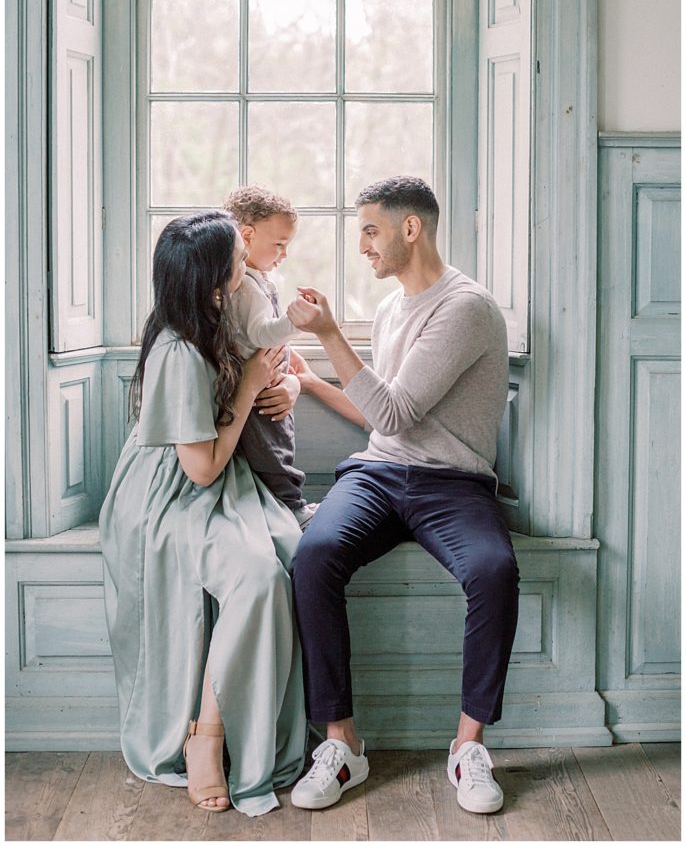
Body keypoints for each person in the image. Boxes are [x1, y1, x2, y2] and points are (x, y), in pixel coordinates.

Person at [285, 176, 519, 815]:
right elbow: (378, 420)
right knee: (314, 556)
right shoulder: (391, 310)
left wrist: (329, 334)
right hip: (379, 475)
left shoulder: (465, 308)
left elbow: (393, 410)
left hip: (453, 484)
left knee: (495, 571)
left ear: (409, 228)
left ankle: (468, 746)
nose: (361, 244)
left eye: (369, 229)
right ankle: (342, 746)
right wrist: (311, 382)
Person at [99, 210, 307, 817]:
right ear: (214, 281)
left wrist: (284, 384)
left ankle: (237, 730)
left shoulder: (220, 313)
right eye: (237, 259)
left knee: (294, 555)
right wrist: (245, 387)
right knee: (258, 576)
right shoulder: (179, 351)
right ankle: (205, 737)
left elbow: (280, 363)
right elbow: (201, 468)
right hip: (171, 493)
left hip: (222, 477)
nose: (248, 260)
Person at [223, 185, 317, 528]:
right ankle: (291, 506)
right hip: (257, 390)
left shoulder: (258, 280)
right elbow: (260, 333)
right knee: (272, 452)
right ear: (247, 236)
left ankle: (286, 505)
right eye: (279, 245)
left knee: (278, 446)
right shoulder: (246, 286)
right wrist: (294, 321)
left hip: (268, 384)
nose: (284, 254)